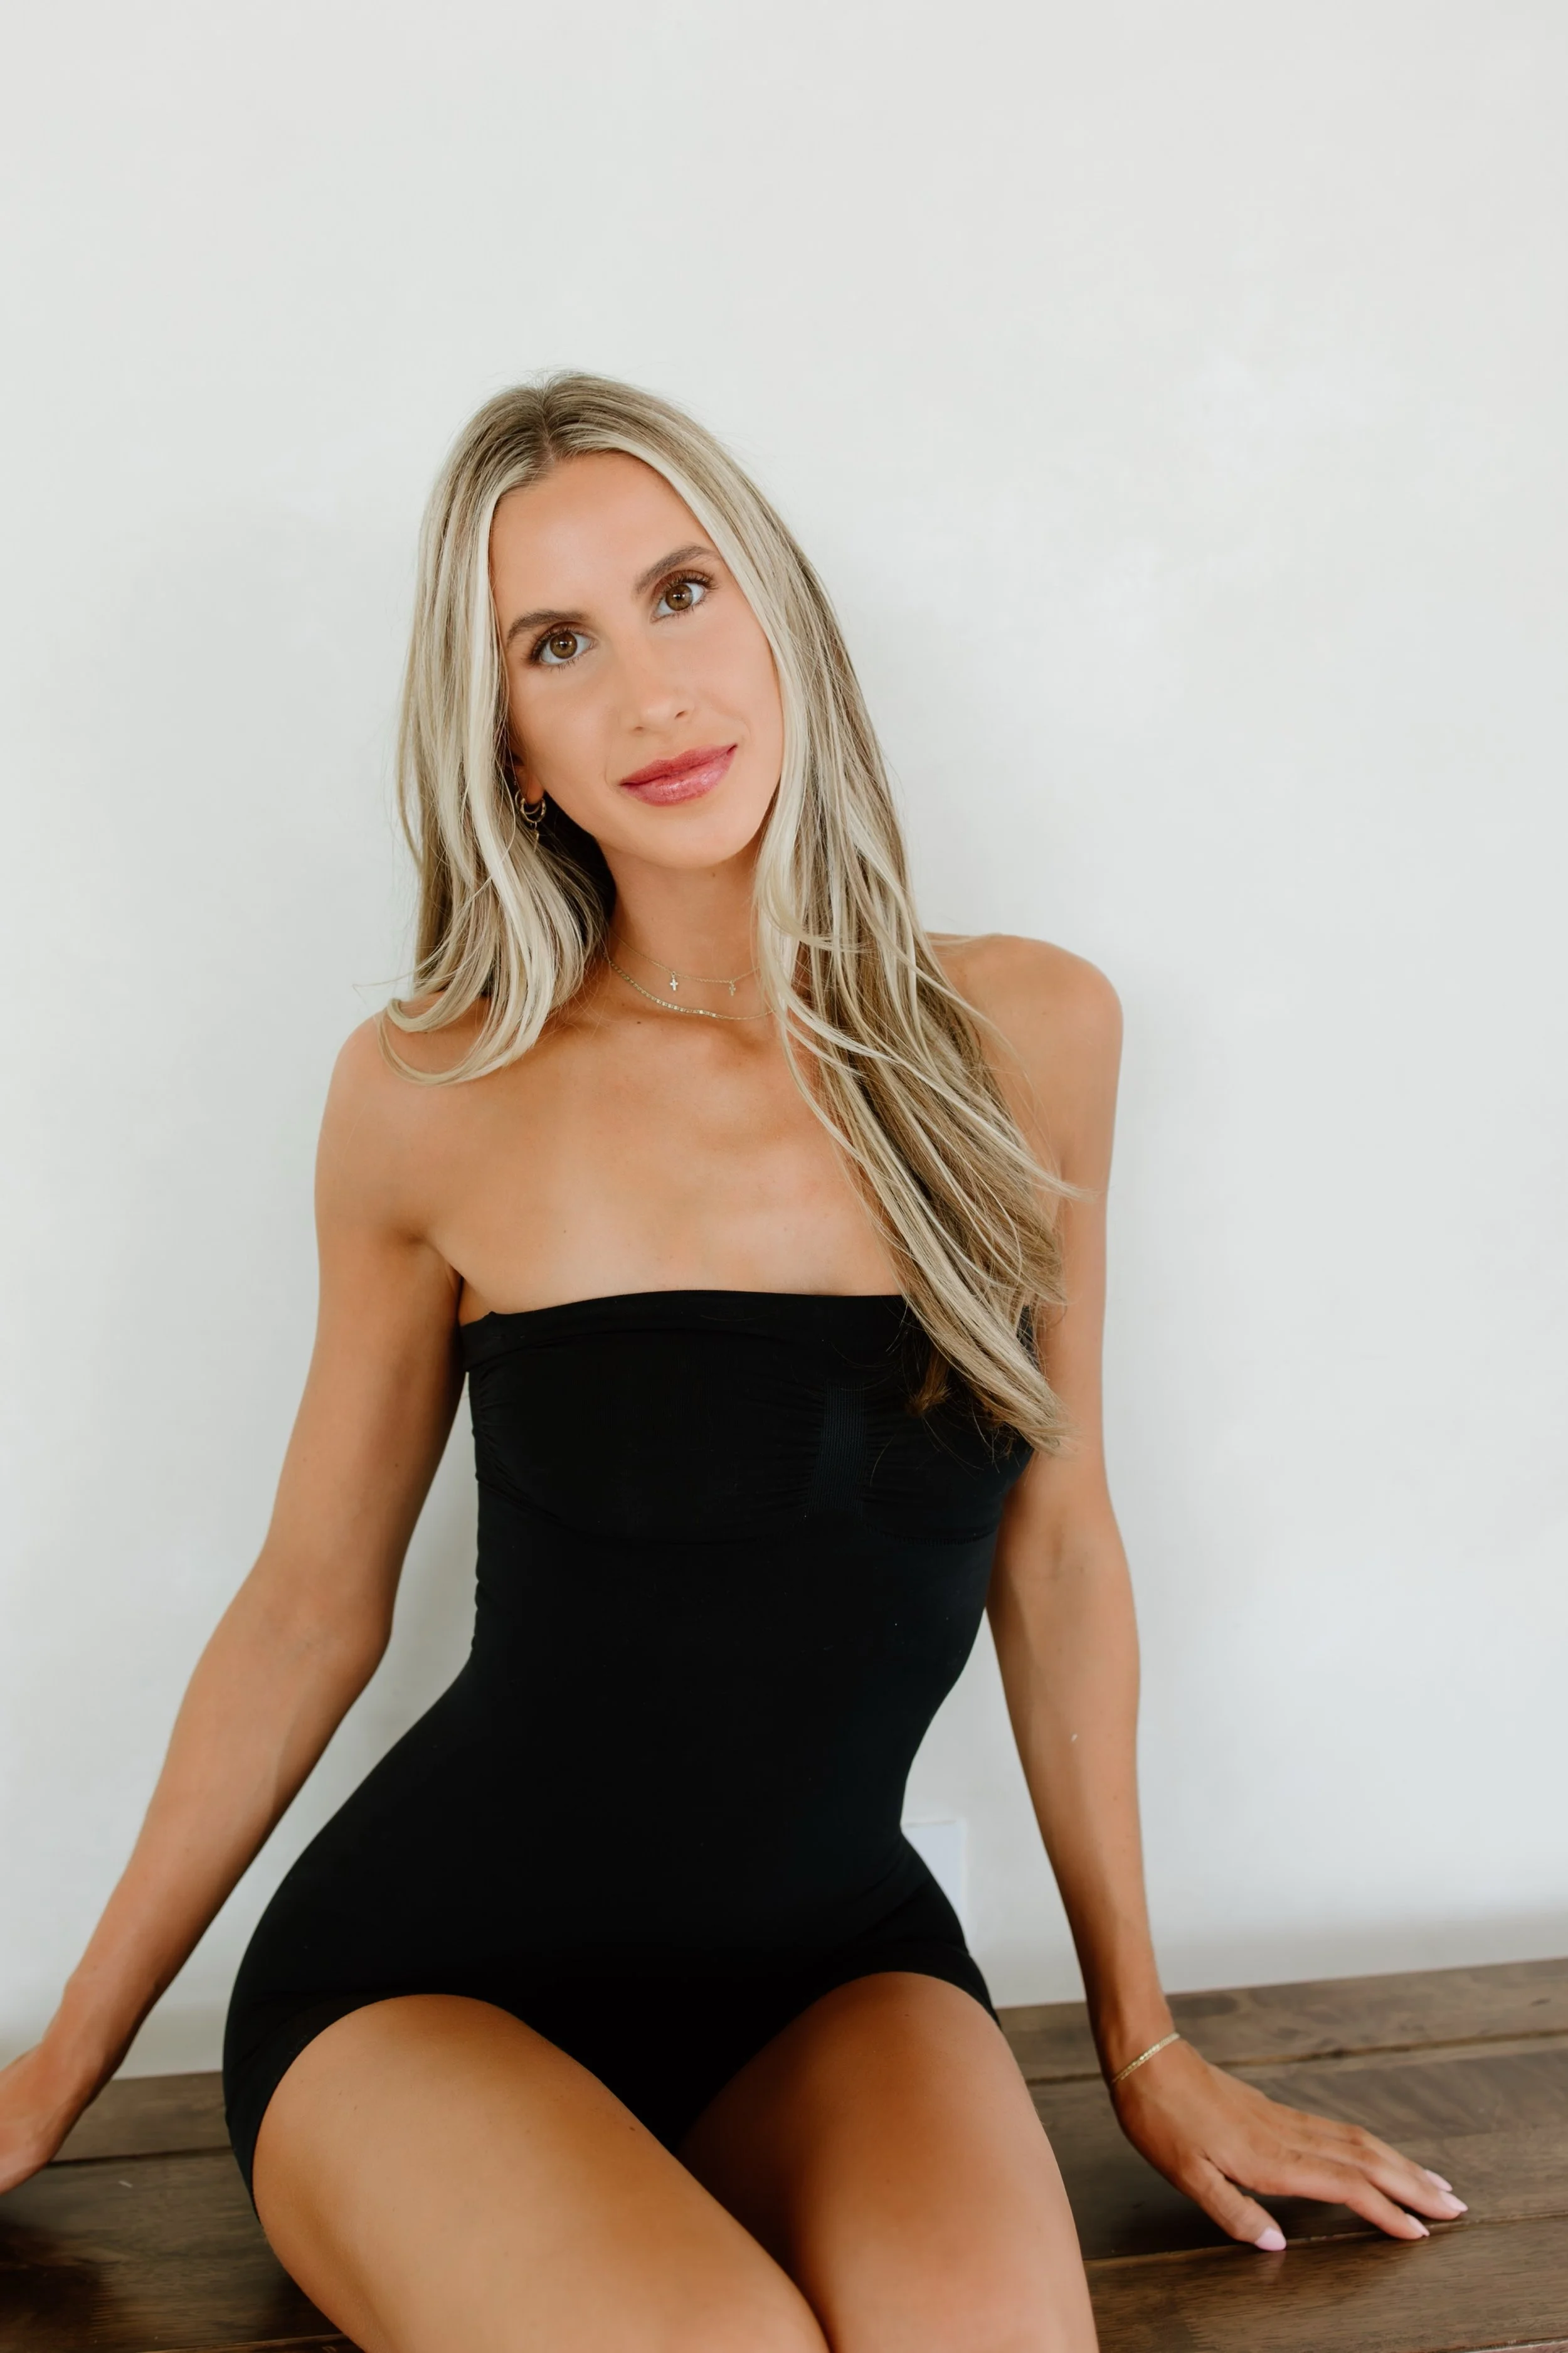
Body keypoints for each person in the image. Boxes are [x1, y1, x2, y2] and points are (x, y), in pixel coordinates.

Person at [0, 374, 1465, 2352]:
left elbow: (1057, 1545)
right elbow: (303, 1609)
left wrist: (1144, 2043)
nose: (649, 693)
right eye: (556, 644)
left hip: (835, 1972)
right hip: (432, 1992)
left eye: (683, 592)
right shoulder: (432, 1092)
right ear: (507, 743)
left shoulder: (1031, 1034)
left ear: (780, 621)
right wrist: (52, 2067)